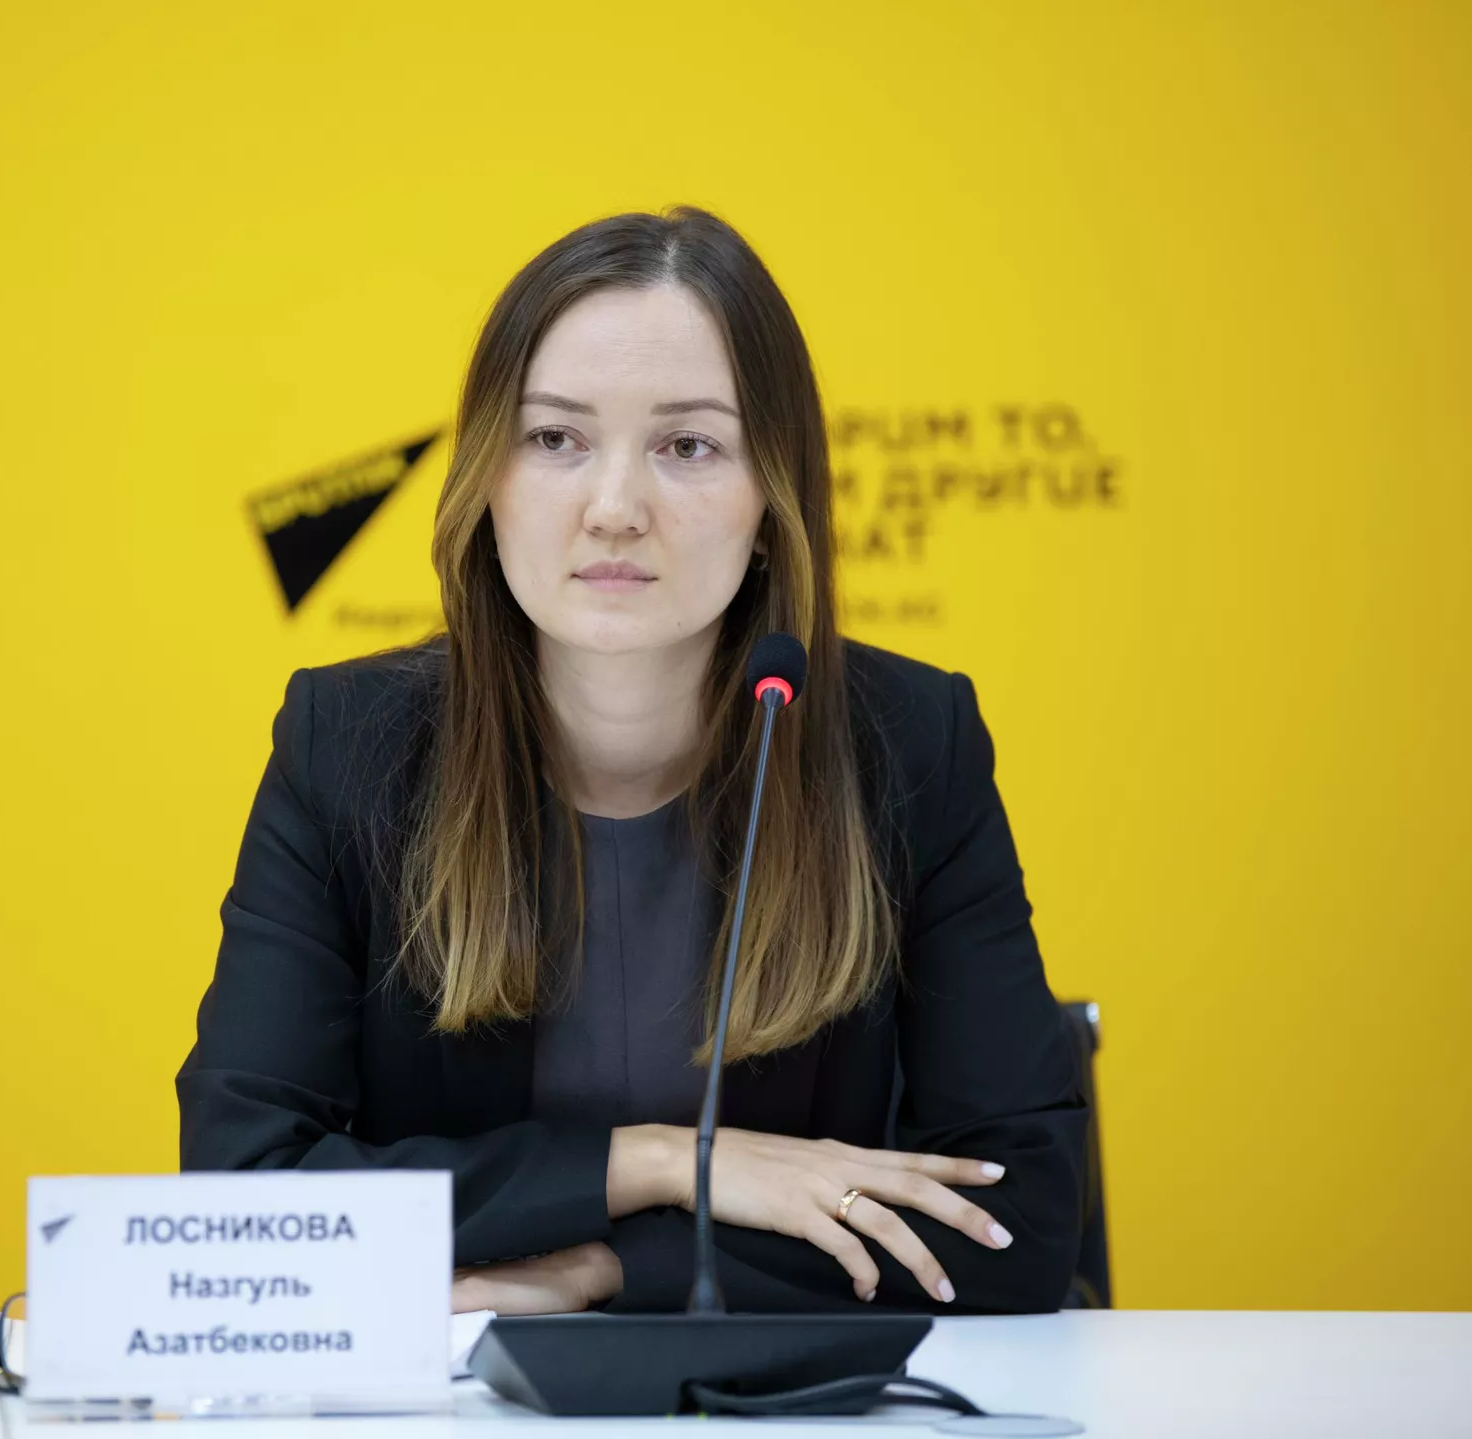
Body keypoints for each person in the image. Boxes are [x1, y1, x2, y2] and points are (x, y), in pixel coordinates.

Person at [177, 206, 1088, 1317]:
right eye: (555, 440)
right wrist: (661, 1162)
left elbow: (1018, 1219)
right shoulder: (349, 746)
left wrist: (609, 1268)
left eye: (688, 446)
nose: (614, 510)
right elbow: (244, 1191)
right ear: (486, 481)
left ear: (772, 498)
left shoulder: (905, 744)